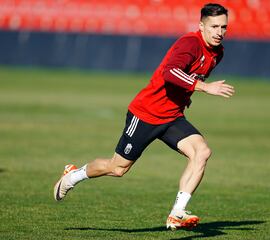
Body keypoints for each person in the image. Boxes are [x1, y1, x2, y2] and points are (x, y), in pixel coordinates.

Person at [54, 3, 234, 230]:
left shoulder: (218, 53)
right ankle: (73, 175)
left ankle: (177, 213)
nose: (220, 32)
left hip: (172, 117)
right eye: (214, 26)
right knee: (117, 169)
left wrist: (187, 96)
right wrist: (204, 87)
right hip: (146, 113)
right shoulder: (190, 43)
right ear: (201, 26)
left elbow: (187, 80)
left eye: (224, 27)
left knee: (202, 152)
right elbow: (170, 72)